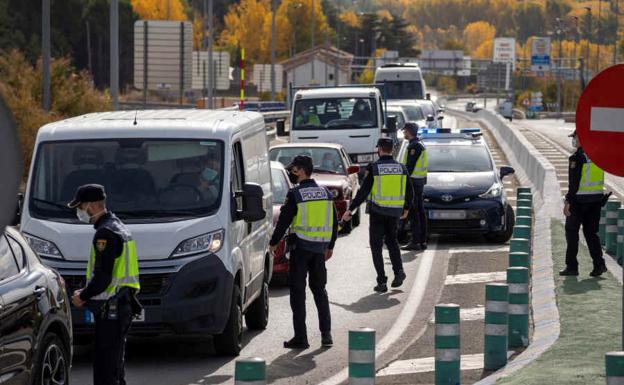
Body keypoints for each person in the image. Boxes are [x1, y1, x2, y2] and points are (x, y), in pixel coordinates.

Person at [68, 184, 141, 385]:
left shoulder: (105, 234)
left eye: (80, 207)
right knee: (115, 367)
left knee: (105, 371)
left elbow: (103, 278)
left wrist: (82, 296)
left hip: (112, 309)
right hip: (121, 305)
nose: (79, 212)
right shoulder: (119, 226)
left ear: (91, 205)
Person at [269, 155, 338, 349]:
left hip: (300, 250)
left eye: (293, 170)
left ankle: (301, 338)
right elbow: (334, 221)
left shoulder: (295, 194)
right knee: (320, 292)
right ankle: (326, 335)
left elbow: (284, 221)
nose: (291, 173)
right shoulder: (325, 192)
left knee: (298, 294)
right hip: (319, 252)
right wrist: (331, 246)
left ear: (300, 170)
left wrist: (273, 243)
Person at [342, 138, 413, 293]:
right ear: (392, 150)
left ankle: (382, 281)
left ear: (379, 149)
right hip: (395, 212)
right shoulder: (402, 168)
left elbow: (363, 192)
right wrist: (406, 208)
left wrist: (351, 210)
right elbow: (410, 191)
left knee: (376, 246)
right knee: (392, 241)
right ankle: (398, 271)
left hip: (378, 213)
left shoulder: (375, 168)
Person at [560, 131, 608, 277]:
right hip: (595, 201)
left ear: (583, 139)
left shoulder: (576, 158)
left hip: (579, 202)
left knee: (572, 232)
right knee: (591, 234)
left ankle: (572, 267)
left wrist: (568, 202)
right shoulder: (599, 156)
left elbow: (573, 184)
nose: (574, 140)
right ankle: (599, 265)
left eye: (575, 137)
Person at [400, 122, 428, 251]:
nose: (404, 133)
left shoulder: (414, 146)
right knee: (420, 213)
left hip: (413, 182)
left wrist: (402, 181)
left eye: (404, 131)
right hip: (419, 182)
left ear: (409, 131)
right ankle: (422, 241)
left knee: (414, 213)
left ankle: (415, 241)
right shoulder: (419, 144)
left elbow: (409, 167)